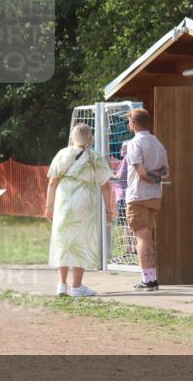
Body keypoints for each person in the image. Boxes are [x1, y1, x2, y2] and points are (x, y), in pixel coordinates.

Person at [45, 123, 113, 297]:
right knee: (81, 241)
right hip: (86, 203)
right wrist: (109, 208)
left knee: (64, 241)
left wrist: (48, 206)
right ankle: (77, 286)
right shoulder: (95, 156)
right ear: (90, 137)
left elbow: (52, 182)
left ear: (72, 136)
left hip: (64, 201)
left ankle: (61, 285)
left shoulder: (63, 153)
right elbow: (106, 186)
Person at [124, 108, 169, 291]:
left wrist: (149, 178)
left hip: (138, 195)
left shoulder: (134, 144)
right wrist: (156, 178)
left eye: (129, 121)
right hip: (155, 196)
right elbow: (166, 172)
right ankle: (152, 278)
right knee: (148, 236)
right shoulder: (158, 143)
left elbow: (141, 173)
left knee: (142, 238)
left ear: (133, 124)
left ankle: (148, 280)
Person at [111, 141, 130, 227]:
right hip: (122, 195)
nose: (121, 149)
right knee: (125, 223)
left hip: (122, 195)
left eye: (124, 147)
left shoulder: (126, 159)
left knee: (122, 224)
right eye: (121, 147)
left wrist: (107, 176)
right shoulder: (125, 159)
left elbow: (120, 176)